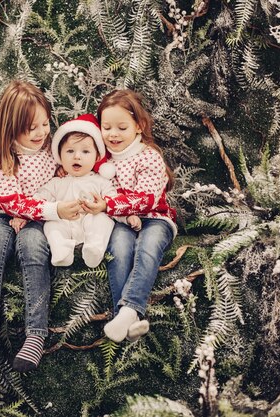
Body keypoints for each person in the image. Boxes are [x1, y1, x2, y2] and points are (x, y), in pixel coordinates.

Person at [0, 80, 82, 378]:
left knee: (34, 248)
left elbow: (63, 179)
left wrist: (41, 208)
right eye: (31, 127)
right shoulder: (0, 154)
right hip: (1, 215)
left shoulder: (53, 149)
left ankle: (36, 334)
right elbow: (8, 199)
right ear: (11, 126)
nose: (40, 133)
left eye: (45, 124)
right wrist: (34, 209)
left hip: (39, 219)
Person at [83, 89, 177, 343]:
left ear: (139, 126)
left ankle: (128, 309)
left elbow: (146, 199)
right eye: (107, 127)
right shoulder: (101, 158)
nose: (113, 134)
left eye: (121, 127)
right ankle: (127, 323)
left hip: (155, 218)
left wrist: (107, 205)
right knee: (120, 249)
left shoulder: (148, 156)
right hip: (121, 220)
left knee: (147, 248)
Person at [32, 114, 118, 268]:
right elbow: (38, 198)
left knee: (103, 220)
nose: (77, 156)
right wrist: (53, 207)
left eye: (85, 152)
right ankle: (61, 250)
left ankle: (94, 249)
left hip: (90, 223)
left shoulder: (100, 181)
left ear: (97, 157)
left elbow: (114, 199)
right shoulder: (56, 182)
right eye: (70, 151)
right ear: (60, 155)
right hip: (65, 224)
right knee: (51, 225)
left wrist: (104, 204)